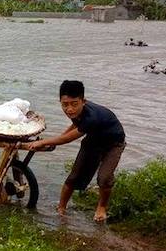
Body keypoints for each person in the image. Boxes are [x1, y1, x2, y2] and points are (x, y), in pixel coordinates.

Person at [28, 80, 125, 222]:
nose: (69, 109)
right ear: (60, 101)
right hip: (93, 140)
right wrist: (58, 137)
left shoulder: (92, 118)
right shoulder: (79, 113)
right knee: (74, 176)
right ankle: (61, 208)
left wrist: (42, 142)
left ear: (83, 101)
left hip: (113, 144)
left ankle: (102, 207)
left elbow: (67, 139)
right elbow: (75, 125)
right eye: (65, 104)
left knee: (104, 178)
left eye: (74, 104)